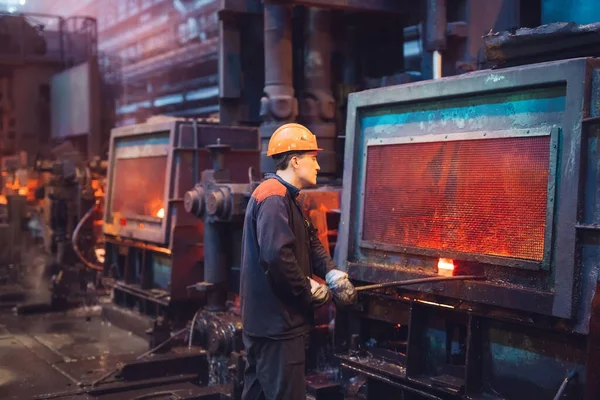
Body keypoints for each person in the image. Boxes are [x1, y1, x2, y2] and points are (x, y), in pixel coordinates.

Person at [239, 123, 357, 400]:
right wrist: (308, 290)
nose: (318, 166)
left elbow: (311, 242)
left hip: (266, 324)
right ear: (294, 160)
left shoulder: (285, 197)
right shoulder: (273, 197)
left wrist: (332, 275)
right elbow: (277, 257)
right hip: (278, 327)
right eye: (313, 158)